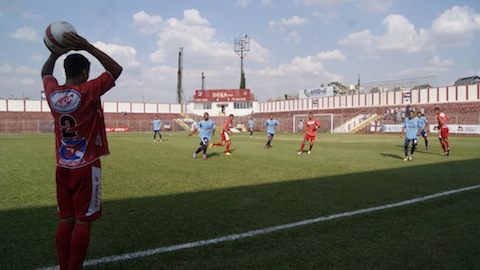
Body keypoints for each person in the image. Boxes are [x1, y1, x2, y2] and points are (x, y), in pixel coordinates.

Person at [41, 32, 122, 270]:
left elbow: (46, 73)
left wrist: (55, 52)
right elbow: (115, 70)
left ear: (66, 72)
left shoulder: (53, 94)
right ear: (85, 72)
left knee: (65, 220)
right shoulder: (88, 90)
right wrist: (87, 46)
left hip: (62, 167)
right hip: (86, 167)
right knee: (83, 222)